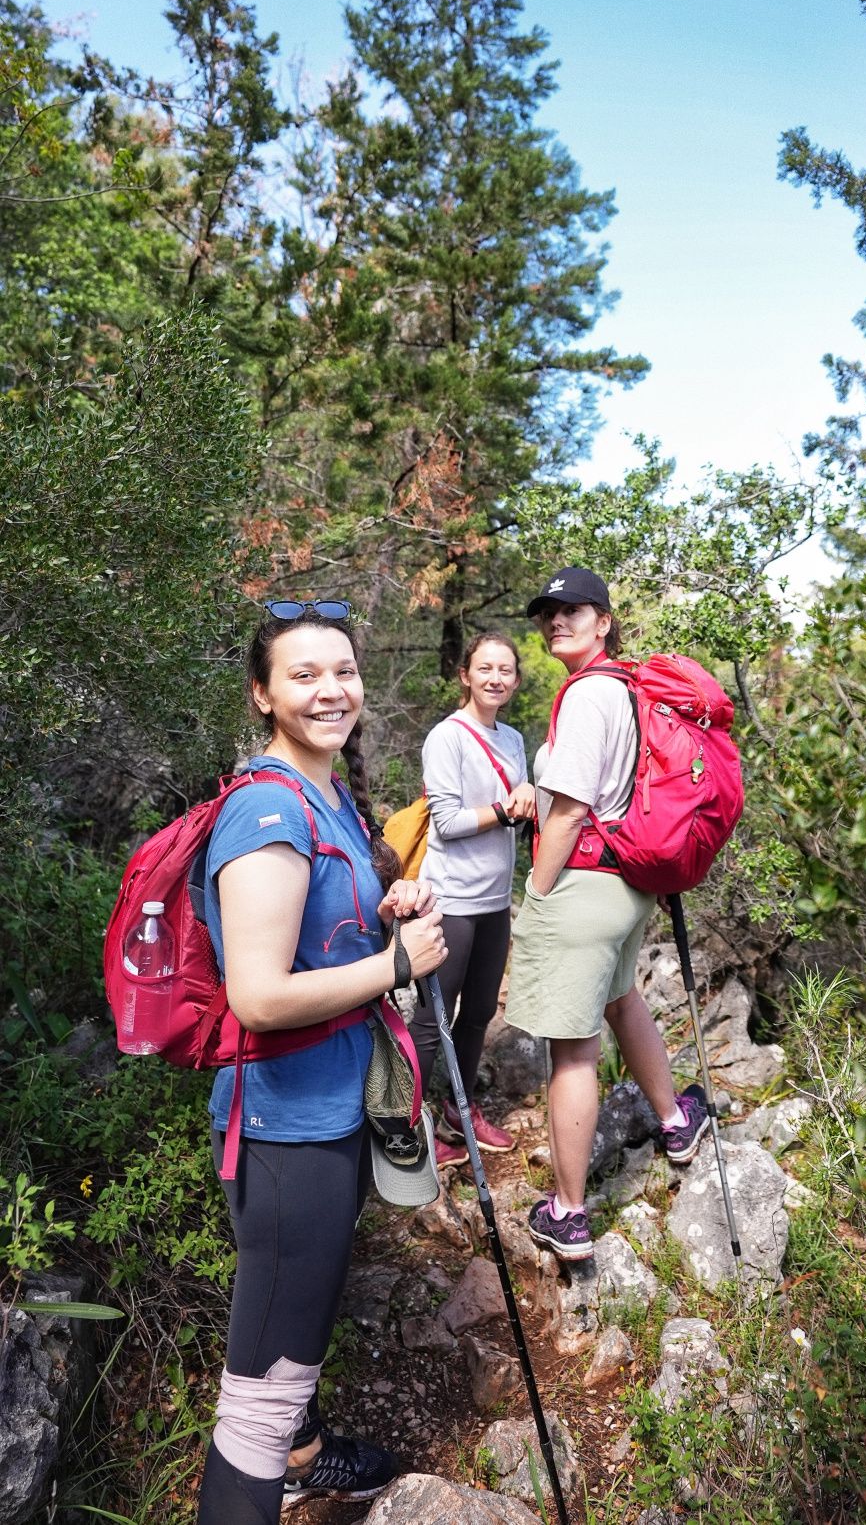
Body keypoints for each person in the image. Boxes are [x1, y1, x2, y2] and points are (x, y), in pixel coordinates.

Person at [196, 600, 447, 1523]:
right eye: (303, 675)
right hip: (282, 1125)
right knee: (261, 1381)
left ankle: (305, 1453)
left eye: (342, 670)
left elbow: (314, 929)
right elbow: (256, 996)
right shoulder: (267, 807)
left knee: (294, 1339)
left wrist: (381, 908)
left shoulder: (328, 795)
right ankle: (274, 1466)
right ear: (263, 695)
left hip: (326, 1110)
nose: (330, 689)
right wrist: (394, 966)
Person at [505, 568, 708, 1263]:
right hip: (626, 886)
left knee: (573, 1051)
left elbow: (567, 812)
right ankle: (674, 1121)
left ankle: (566, 1214)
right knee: (623, 1000)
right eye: (547, 611)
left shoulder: (589, 694)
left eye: (573, 610)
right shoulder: (623, 687)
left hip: (584, 885)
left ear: (603, 620)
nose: (556, 620)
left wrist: (535, 891)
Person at [404, 631, 536, 1170]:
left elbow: (523, 805)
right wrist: (506, 811)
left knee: (479, 1012)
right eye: (485, 668)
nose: (495, 679)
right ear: (466, 675)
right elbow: (448, 822)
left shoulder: (514, 740)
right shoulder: (447, 737)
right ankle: (408, 1127)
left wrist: (530, 801)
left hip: (493, 901)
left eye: (505, 670)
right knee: (433, 1018)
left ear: (516, 680)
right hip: (451, 901)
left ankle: (459, 1112)